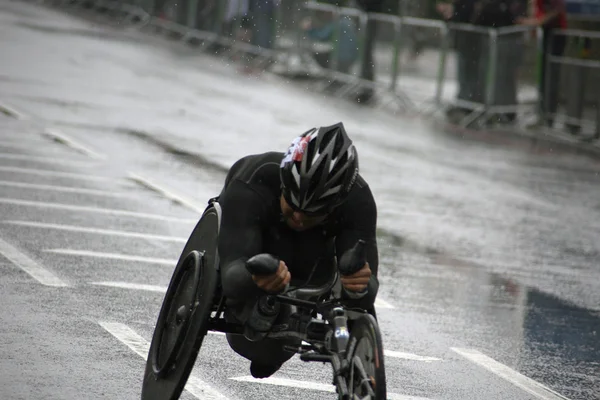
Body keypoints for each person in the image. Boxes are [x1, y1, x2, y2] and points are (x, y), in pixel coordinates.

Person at [216, 122, 379, 379]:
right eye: (291, 205)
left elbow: (366, 292)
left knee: (350, 279)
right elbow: (231, 274)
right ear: (283, 184)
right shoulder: (252, 178)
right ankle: (266, 327)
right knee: (258, 271)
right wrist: (254, 277)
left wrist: (358, 284)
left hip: (312, 264)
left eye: (312, 212)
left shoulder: (357, 200)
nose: (300, 217)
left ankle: (275, 346)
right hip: (256, 253)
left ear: (336, 204)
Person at [517, 0, 568, 128]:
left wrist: (535, 22)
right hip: (547, 35)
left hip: (556, 36)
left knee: (551, 77)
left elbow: (556, 12)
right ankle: (543, 114)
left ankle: (548, 116)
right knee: (545, 76)